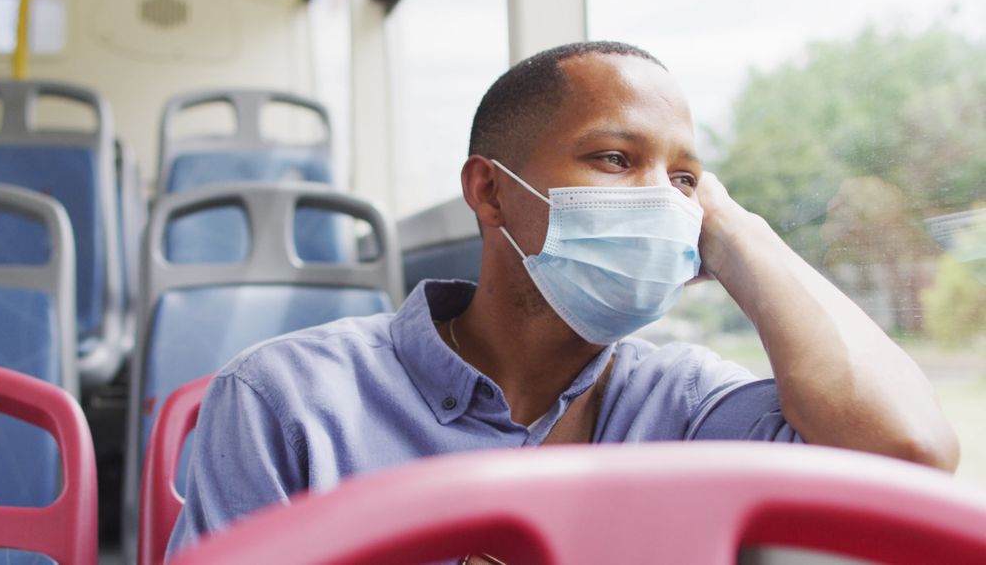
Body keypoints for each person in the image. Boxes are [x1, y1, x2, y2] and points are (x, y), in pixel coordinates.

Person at [166, 41, 959, 559]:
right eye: (615, 159)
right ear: (490, 192)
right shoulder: (289, 400)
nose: (662, 200)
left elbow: (907, 452)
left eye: (684, 179)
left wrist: (736, 231)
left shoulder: (684, 405)